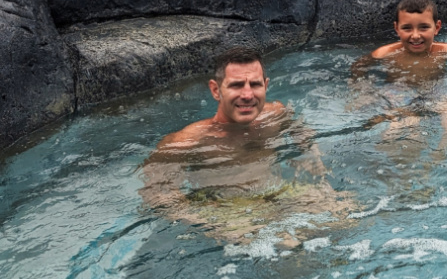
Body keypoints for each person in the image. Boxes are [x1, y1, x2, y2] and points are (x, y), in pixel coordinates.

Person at [140, 47, 354, 243]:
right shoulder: (187, 141)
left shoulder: (275, 114)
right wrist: (209, 223)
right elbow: (156, 194)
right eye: (236, 85)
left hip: (278, 193)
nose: (247, 95)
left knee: (348, 214)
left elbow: (299, 128)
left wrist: (311, 156)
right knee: (288, 248)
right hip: (227, 210)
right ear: (216, 90)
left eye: (255, 84)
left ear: (266, 85)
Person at [350, 0, 447, 157]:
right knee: (402, 130)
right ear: (397, 28)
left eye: (424, 27)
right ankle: (396, 161)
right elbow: (358, 67)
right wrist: (363, 89)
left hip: (436, 87)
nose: (415, 35)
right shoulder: (385, 53)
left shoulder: (445, 50)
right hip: (400, 90)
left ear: (437, 27)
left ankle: (440, 153)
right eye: (407, 28)